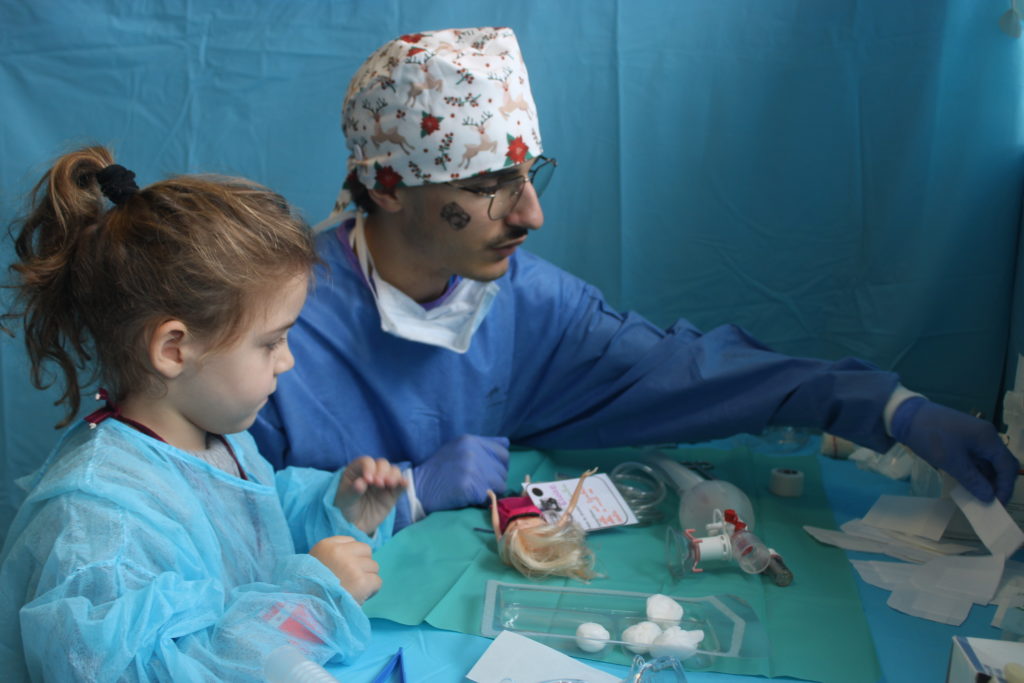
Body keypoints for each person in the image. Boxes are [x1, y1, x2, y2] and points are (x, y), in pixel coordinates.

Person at [251, 26, 1018, 530]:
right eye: (488, 187)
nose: (532, 214)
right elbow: (206, 515)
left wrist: (887, 406)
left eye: (531, 176)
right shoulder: (276, 324)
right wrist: (409, 495)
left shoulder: (526, 306)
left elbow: (689, 372)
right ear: (386, 187)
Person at [0, 146, 406, 681]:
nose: (288, 361)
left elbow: (255, 529)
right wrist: (311, 604)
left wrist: (335, 511)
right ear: (174, 349)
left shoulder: (218, 440)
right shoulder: (100, 521)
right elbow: (148, 670)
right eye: (271, 342)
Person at [487, 468, 598, 581]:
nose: (519, 522)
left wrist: (493, 499)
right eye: (526, 525)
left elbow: (496, 523)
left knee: (523, 496)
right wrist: (582, 480)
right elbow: (570, 507)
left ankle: (526, 487)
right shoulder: (551, 532)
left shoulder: (505, 543)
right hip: (534, 507)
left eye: (512, 529)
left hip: (511, 509)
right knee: (530, 495)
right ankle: (527, 485)